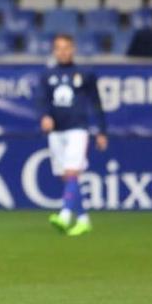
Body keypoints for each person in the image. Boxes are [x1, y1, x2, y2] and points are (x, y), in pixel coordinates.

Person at [39, 34, 108, 237]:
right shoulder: (47, 75)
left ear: (73, 49)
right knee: (65, 176)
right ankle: (83, 220)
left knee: (71, 172)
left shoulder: (84, 74)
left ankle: (65, 215)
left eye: (66, 47)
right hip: (56, 131)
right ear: (54, 51)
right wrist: (44, 116)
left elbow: (96, 103)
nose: (63, 51)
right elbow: (42, 101)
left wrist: (102, 131)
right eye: (58, 48)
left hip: (77, 128)